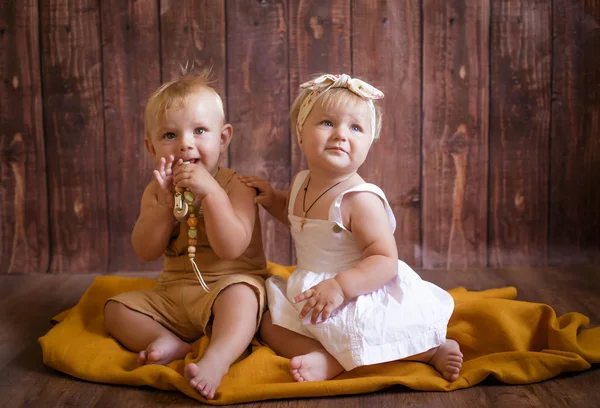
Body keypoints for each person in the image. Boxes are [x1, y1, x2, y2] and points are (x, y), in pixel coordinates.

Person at [239, 73, 463, 383]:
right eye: (327, 123)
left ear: (369, 143)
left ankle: (430, 350)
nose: (341, 134)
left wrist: (341, 288)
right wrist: (274, 200)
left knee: (368, 333)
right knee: (270, 325)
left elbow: (384, 260)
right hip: (311, 287)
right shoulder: (301, 182)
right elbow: (299, 220)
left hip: (358, 288)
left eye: (355, 128)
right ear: (301, 133)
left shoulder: (359, 199)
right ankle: (327, 357)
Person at [104, 69, 269, 400]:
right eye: (169, 135)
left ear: (223, 138)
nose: (185, 144)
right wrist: (163, 207)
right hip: (172, 293)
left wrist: (212, 195)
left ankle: (218, 359)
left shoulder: (237, 187)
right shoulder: (157, 190)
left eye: (199, 131)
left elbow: (232, 246)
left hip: (225, 285)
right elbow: (146, 250)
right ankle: (167, 340)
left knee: (244, 297)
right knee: (115, 309)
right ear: (152, 147)